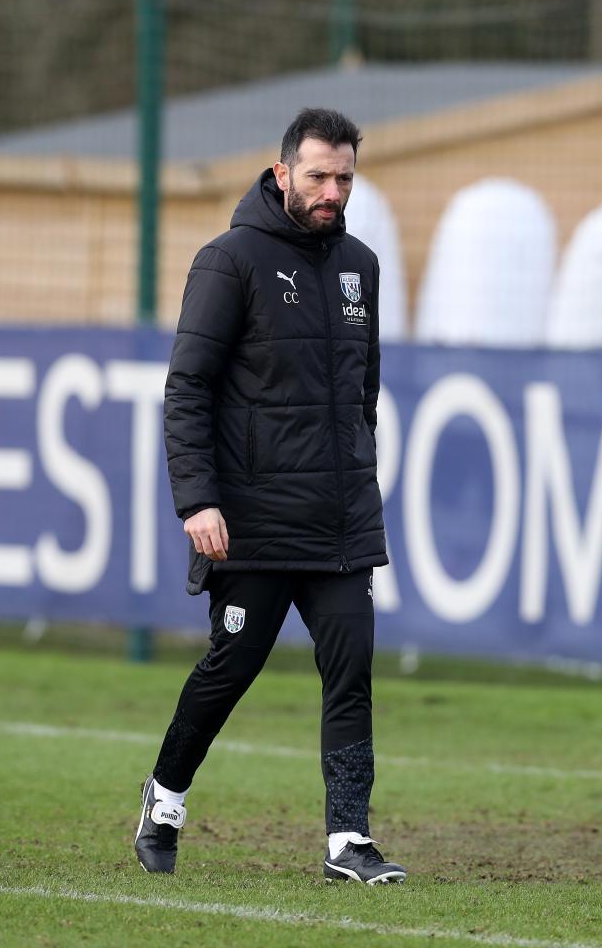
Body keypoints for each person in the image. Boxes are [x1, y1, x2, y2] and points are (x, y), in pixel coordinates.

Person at [133, 108, 405, 885]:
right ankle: (164, 799)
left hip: (341, 521)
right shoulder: (229, 261)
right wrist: (198, 501)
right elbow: (187, 389)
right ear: (281, 173)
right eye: (318, 175)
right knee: (231, 666)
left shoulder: (361, 265)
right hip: (251, 521)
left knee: (351, 671)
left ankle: (348, 841)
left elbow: (363, 393)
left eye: (345, 177)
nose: (332, 191)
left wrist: (358, 472)